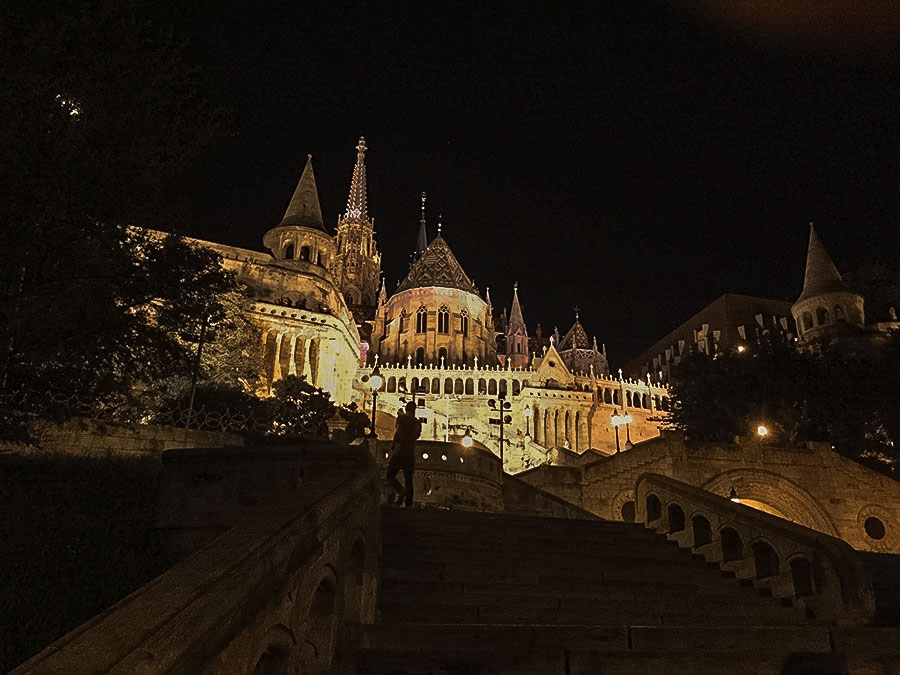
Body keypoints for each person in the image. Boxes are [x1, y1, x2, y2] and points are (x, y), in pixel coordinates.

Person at [386, 400, 422, 507]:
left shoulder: (402, 418)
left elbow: (398, 432)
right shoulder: (417, 423)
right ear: (414, 410)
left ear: (406, 408)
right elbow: (416, 436)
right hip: (410, 453)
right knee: (409, 480)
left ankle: (400, 490)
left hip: (399, 451)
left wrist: (393, 444)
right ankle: (408, 505)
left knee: (390, 475)